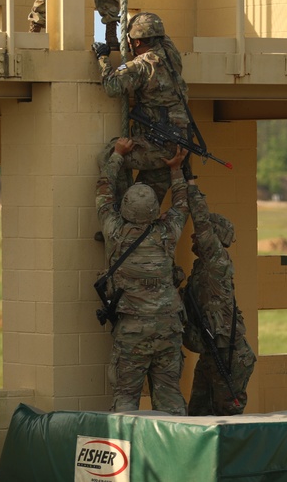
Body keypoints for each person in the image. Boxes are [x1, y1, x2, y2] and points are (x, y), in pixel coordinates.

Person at [96, 138, 189, 414]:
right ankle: (178, 452)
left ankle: (123, 454)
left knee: (126, 397)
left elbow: (103, 193)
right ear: (154, 211)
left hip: (132, 330)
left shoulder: (115, 233)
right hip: (168, 328)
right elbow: (181, 204)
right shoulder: (167, 233)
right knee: (170, 396)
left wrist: (117, 156)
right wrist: (175, 170)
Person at [93, 11, 189, 203]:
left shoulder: (141, 65)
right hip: (179, 144)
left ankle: (117, 209)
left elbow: (112, 87)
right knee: (147, 200)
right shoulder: (172, 55)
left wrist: (102, 58)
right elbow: (158, 33)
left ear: (136, 42)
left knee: (110, 154)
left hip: (158, 145)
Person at [182, 180, 255, 416]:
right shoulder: (203, 266)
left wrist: (191, 187)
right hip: (212, 354)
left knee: (227, 415)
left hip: (229, 356)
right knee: (199, 413)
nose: (194, 236)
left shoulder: (216, 260)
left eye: (201, 235)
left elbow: (201, 223)